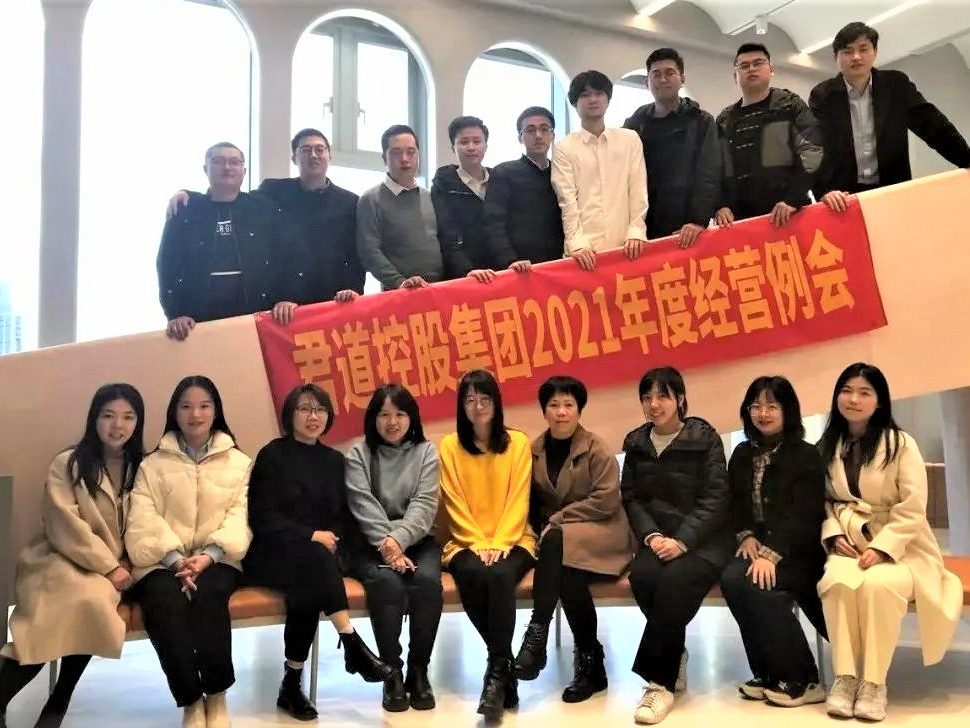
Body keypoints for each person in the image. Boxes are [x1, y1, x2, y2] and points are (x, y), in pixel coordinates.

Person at [816, 363, 962, 722]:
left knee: (878, 587)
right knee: (836, 582)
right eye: (847, 390)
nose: (853, 399)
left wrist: (883, 548)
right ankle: (846, 678)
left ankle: (874, 683)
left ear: (879, 401)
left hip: (904, 548)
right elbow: (822, 500)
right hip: (848, 543)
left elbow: (913, 507)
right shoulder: (827, 445)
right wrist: (833, 533)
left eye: (864, 392)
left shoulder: (901, 444)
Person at [0, 384, 145, 728]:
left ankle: (59, 700)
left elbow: (147, 522)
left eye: (128, 417)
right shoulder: (68, 463)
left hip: (113, 569)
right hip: (59, 557)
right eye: (108, 415)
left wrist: (125, 564)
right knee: (54, 617)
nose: (118, 425)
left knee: (91, 603)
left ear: (138, 422)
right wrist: (109, 566)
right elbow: (65, 525)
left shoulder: (143, 467)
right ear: (94, 418)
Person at [244, 384, 391, 721]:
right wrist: (310, 535)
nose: (313, 416)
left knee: (309, 579)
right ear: (290, 414)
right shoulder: (272, 455)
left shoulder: (334, 461)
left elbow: (343, 516)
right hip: (271, 554)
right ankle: (350, 642)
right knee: (313, 561)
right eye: (305, 409)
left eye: (320, 409)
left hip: (316, 559)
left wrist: (330, 538)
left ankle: (292, 683)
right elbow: (262, 517)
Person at [125, 376, 251, 728]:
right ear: (174, 412)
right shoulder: (152, 464)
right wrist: (177, 560)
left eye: (204, 406)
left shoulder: (239, 462)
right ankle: (191, 700)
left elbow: (240, 515)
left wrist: (208, 556)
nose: (196, 414)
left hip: (219, 558)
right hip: (162, 561)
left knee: (209, 596)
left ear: (216, 411)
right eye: (186, 406)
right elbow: (143, 517)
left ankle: (216, 694)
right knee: (164, 603)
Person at [514, 376, 636, 703]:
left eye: (568, 404)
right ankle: (590, 663)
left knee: (558, 541)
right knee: (568, 574)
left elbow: (606, 501)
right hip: (564, 542)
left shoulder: (596, 448)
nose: (561, 412)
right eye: (554, 405)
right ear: (544, 411)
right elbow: (530, 501)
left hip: (604, 530)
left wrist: (558, 519)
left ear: (579, 410)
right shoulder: (534, 451)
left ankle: (536, 634)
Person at [621, 366, 732, 725]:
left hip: (704, 542)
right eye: (647, 397)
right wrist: (653, 536)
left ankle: (659, 683)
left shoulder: (705, 438)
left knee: (672, 582)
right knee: (642, 577)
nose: (654, 404)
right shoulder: (636, 443)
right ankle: (674, 653)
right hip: (657, 540)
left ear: (680, 399)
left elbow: (716, 498)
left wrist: (683, 540)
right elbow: (631, 498)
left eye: (662, 396)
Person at [720, 376, 827, 708]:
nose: (762, 413)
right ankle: (768, 672)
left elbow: (804, 514)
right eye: (756, 406)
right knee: (732, 580)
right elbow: (735, 504)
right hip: (756, 545)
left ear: (787, 410)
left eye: (771, 406)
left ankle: (803, 678)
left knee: (760, 585)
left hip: (797, 549)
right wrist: (747, 535)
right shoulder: (742, 453)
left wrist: (772, 553)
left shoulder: (806, 455)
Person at [167, 128, 364, 304]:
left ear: (330, 156)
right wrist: (190, 196)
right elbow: (232, 195)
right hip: (286, 301)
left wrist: (355, 289)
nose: (313, 155)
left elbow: (357, 254)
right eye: (305, 150)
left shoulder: (350, 202)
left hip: (335, 297)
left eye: (320, 149)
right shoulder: (274, 191)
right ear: (294, 158)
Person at [438, 369, 536, 720]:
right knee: (473, 574)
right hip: (465, 541)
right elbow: (453, 500)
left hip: (515, 539)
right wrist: (478, 542)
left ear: (496, 403)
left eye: (484, 398)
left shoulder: (518, 443)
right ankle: (503, 670)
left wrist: (502, 541)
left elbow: (518, 498)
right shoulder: (450, 446)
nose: (477, 406)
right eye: (469, 399)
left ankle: (495, 674)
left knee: (498, 576)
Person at [345, 384, 443, 712]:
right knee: (386, 583)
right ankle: (391, 672)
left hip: (416, 540)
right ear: (373, 418)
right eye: (384, 414)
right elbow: (363, 504)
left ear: (411, 418)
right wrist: (388, 546)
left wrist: (398, 541)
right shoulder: (358, 454)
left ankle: (419, 670)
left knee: (427, 582)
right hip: (371, 543)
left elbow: (424, 504)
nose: (392, 422)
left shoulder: (426, 452)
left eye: (400, 414)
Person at [811, 22, 970, 213]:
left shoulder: (896, 85)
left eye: (863, 49)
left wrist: (966, 159)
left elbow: (933, 125)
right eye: (847, 51)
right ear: (835, 57)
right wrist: (824, 191)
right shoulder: (822, 96)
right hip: (845, 198)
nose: (856, 57)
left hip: (893, 189)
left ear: (875, 52)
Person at [156, 142, 309, 340]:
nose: (227, 167)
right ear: (205, 169)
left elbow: (289, 256)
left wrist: (288, 298)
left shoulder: (264, 209)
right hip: (196, 322)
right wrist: (175, 313)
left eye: (234, 162)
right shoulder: (186, 210)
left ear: (244, 171)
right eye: (218, 161)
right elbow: (167, 264)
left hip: (256, 318)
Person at [715, 44, 823, 229]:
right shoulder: (724, 120)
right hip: (740, 222)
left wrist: (793, 199)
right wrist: (720, 205)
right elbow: (716, 168)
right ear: (735, 76)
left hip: (788, 214)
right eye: (744, 66)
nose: (751, 69)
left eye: (758, 63)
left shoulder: (790, 105)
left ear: (771, 69)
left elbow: (812, 150)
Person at [552, 70, 648, 271]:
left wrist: (636, 230)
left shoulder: (630, 139)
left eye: (598, 93)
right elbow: (567, 200)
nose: (593, 100)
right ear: (575, 102)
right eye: (585, 95)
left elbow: (638, 189)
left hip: (627, 247)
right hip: (584, 253)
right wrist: (577, 243)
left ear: (608, 99)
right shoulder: (565, 147)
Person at [623, 48, 719, 247]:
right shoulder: (635, 123)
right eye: (656, 74)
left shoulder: (701, 121)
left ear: (682, 79)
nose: (663, 79)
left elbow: (708, 172)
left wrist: (698, 220)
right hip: (643, 225)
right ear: (647, 82)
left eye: (670, 73)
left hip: (685, 226)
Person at [356, 124, 444, 290]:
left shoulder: (431, 197)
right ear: (384, 158)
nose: (404, 158)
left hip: (439, 290)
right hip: (400, 293)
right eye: (396, 153)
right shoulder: (371, 199)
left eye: (411, 152)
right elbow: (369, 251)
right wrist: (399, 282)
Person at [484, 106, 565, 268]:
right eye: (530, 130)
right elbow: (493, 224)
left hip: (559, 263)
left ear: (553, 135)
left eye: (544, 129)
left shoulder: (562, 172)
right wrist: (509, 259)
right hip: (520, 266)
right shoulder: (504, 172)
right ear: (520, 138)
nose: (538, 135)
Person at [432, 116, 500, 282]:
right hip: (463, 276)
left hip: (500, 272)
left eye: (477, 141)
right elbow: (446, 236)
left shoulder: (500, 180)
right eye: (464, 142)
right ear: (453, 148)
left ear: (485, 146)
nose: (471, 147)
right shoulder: (444, 186)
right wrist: (467, 270)